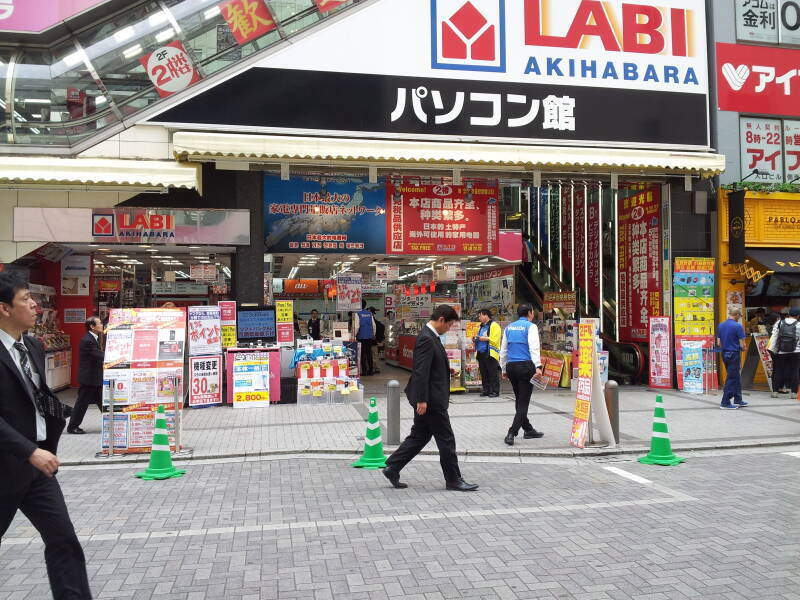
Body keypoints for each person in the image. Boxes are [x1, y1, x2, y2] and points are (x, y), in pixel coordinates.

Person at [0, 273, 92, 598]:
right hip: (6, 466)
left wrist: (58, 421)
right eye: (26, 298)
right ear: (4, 308)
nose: (35, 305)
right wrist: (29, 450)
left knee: (63, 538)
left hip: (37, 470)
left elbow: (36, 396)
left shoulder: (34, 346)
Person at [383, 305, 478, 491]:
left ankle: (393, 466)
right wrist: (422, 400)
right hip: (431, 400)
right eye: (449, 325)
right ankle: (453, 479)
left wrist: (445, 370)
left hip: (430, 396)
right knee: (446, 439)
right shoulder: (427, 338)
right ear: (441, 319)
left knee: (419, 436)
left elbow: (430, 365)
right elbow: (420, 371)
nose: (449, 329)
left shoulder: (431, 336)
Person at [499, 303, 544, 445]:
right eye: (532, 312)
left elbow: (504, 350)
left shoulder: (509, 327)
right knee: (523, 402)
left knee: (519, 399)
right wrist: (538, 366)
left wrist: (503, 369)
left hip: (511, 367)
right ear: (530, 313)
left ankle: (528, 429)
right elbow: (534, 347)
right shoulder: (531, 327)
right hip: (526, 367)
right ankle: (512, 432)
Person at [67, 316, 105, 434]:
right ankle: (72, 427)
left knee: (103, 402)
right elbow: (99, 355)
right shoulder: (87, 340)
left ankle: (114, 423)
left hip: (95, 377)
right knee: (82, 404)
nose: (102, 325)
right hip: (89, 378)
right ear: (92, 326)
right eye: (99, 323)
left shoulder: (94, 338)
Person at [717, 307, 748, 409]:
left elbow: (718, 343)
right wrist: (742, 348)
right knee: (732, 378)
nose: (739, 318)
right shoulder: (738, 326)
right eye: (740, 316)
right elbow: (743, 345)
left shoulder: (721, 325)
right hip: (734, 354)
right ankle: (725, 402)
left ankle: (738, 399)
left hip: (724, 353)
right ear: (737, 315)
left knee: (735, 376)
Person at [768, 307, 800, 397]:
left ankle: (775, 392)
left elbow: (774, 335)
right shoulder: (799, 325)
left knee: (779, 370)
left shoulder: (779, 323)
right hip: (796, 352)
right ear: (798, 316)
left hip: (781, 351)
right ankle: (794, 393)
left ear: (788, 314)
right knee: (795, 371)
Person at [474, 308, 502, 397]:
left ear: (486, 315)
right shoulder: (481, 326)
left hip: (490, 352)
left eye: (480, 316)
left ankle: (494, 391)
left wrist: (484, 338)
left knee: (492, 373)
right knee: (484, 373)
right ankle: (486, 390)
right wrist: (476, 339)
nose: (479, 318)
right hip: (481, 352)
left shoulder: (494, 325)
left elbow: (496, 339)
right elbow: (480, 337)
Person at [353, 300, 376, 376]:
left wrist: (353, 336)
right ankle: (371, 371)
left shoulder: (357, 314)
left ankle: (365, 371)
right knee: (369, 354)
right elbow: (374, 325)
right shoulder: (369, 314)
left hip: (361, 336)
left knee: (362, 354)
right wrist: (373, 334)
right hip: (369, 337)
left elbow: (356, 326)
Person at [369, 307, 384, 373]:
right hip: (375, 341)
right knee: (375, 355)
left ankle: (372, 368)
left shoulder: (371, 321)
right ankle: (376, 368)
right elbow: (382, 327)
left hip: (369, 340)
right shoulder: (378, 323)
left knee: (371, 355)